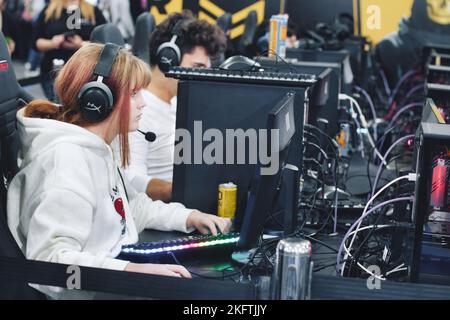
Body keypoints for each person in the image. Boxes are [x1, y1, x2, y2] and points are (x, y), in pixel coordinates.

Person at [7, 43, 231, 299]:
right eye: (134, 93)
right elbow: (51, 263)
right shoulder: (66, 161)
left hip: (109, 281)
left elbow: (131, 209)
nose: (143, 103)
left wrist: (189, 217)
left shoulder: (98, 149)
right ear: (98, 98)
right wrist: (131, 271)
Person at [125, 11, 226, 202]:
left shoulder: (178, 101)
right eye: (197, 67)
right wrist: (185, 191)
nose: (202, 77)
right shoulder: (139, 109)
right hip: (157, 216)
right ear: (168, 58)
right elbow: (130, 180)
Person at [33, 0, 107, 101]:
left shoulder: (92, 11)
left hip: (85, 72)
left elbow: (105, 43)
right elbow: (35, 42)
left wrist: (81, 44)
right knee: (57, 107)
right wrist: (52, 43)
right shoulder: (50, 10)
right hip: (53, 71)